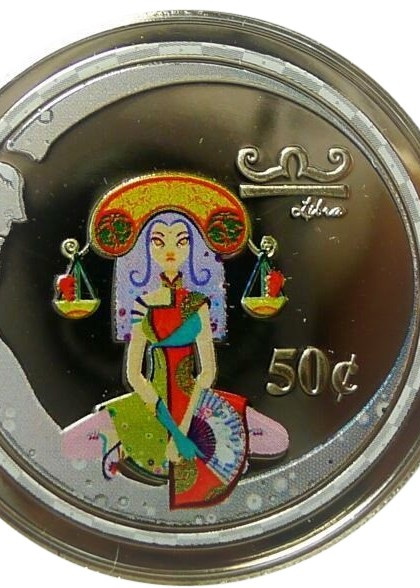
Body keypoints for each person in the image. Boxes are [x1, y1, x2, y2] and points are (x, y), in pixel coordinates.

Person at [61, 174, 289, 509]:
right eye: (158, 242)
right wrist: (164, 419)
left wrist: (185, 424)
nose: (170, 250)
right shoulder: (143, 306)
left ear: (194, 249)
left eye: (181, 241)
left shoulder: (198, 305)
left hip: (196, 401)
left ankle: (146, 450)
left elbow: (206, 372)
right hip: (149, 398)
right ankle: (136, 448)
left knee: (276, 438)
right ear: (145, 249)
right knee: (69, 443)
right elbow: (135, 374)